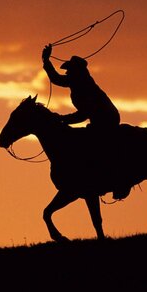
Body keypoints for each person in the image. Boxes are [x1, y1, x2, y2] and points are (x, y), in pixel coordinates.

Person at [42, 44, 130, 200]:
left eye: (69, 70)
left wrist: (63, 119)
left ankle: (117, 180)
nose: (67, 72)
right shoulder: (79, 84)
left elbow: (83, 114)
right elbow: (57, 80)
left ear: (76, 72)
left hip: (106, 120)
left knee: (96, 145)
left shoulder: (84, 87)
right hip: (100, 121)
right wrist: (46, 61)